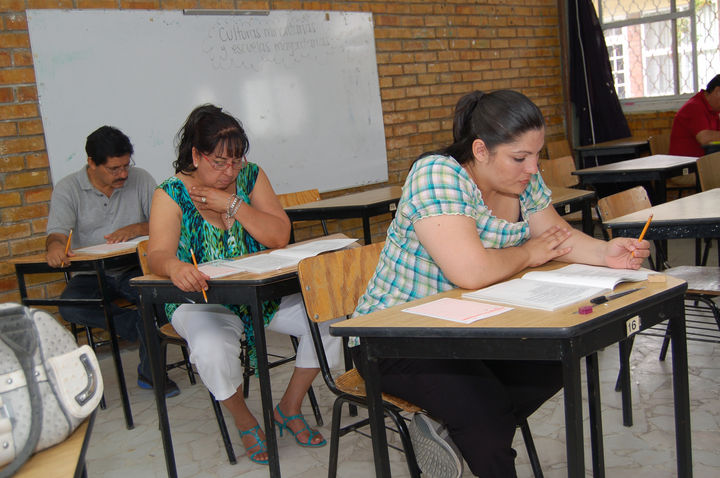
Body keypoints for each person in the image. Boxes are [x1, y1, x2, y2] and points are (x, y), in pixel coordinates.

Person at [352, 90, 652, 478]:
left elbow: (557, 237)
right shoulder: (437, 175)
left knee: (554, 363)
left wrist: (606, 252)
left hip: (470, 325)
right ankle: (469, 426)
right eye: (520, 158)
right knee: (484, 412)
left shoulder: (523, 180)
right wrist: (528, 253)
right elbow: (471, 272)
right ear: (481, 150)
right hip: (395, 333)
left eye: (537, 155)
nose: (532, 168)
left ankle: (449, 428)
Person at [147, 104, 341, 465]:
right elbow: (156, 254)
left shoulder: (250, 177)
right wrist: (174, 266)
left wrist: (232, 203)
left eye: (236, 162)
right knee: (211, 347)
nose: (229, 171)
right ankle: (244, 419)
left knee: (330, 318)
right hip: (203, 301)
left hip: (261, 294)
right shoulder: (170, 194)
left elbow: (279, 235)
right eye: (219, 162)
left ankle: (289, 407)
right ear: (195, 155)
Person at [45, 125, 179, 397]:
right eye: (114, 169)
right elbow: (57, 232)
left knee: (156, 298)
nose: (123, 174)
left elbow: (167, 221)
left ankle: (151, 373)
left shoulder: (141, 179)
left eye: (126, 166)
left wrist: (137, 228)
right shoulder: (68, 188)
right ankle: (137, 326)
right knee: (69, 306)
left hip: (133, 265)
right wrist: (56, 247)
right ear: (92, 163)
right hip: (91, 272)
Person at [669, 74, 720, 157]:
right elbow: (705, 138)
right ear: (718, 91)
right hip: (686, 163)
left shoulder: (714, 110)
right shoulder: (694, 107)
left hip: (703, 161)